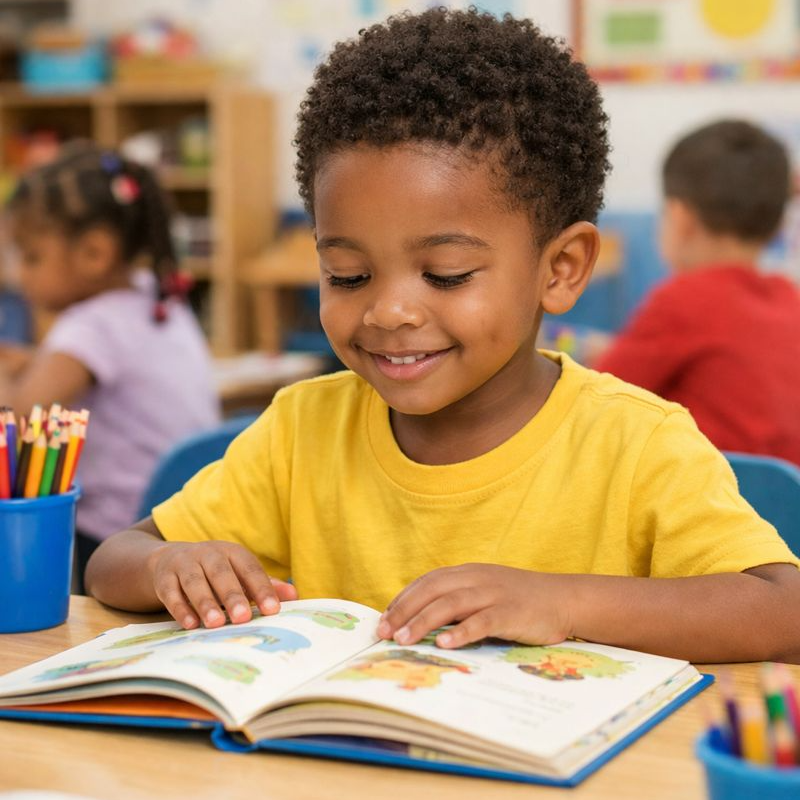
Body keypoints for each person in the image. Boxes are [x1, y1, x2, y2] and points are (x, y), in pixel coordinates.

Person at [87, 9, 800, 663]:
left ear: (561, 269)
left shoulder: (637, 443)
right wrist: (166, 566)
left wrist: (562, 601)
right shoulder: (302, 431)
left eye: (447, 274)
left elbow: (782, 610)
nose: (388, 312)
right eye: (348, 274)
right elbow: (115, 556)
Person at [0, 142, 220, 588]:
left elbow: (19, 423)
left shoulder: (87, 326)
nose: (21, 275)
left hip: (114, 541)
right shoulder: (156, 298)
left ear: (94, 253)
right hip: (188, 516)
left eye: (33, 256)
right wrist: (35, 363)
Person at [594, 120, 800, 464]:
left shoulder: (681, 300)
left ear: (680, 218)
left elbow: (598, 399)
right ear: (777, 224)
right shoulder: (789, 299)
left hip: (710, 501)